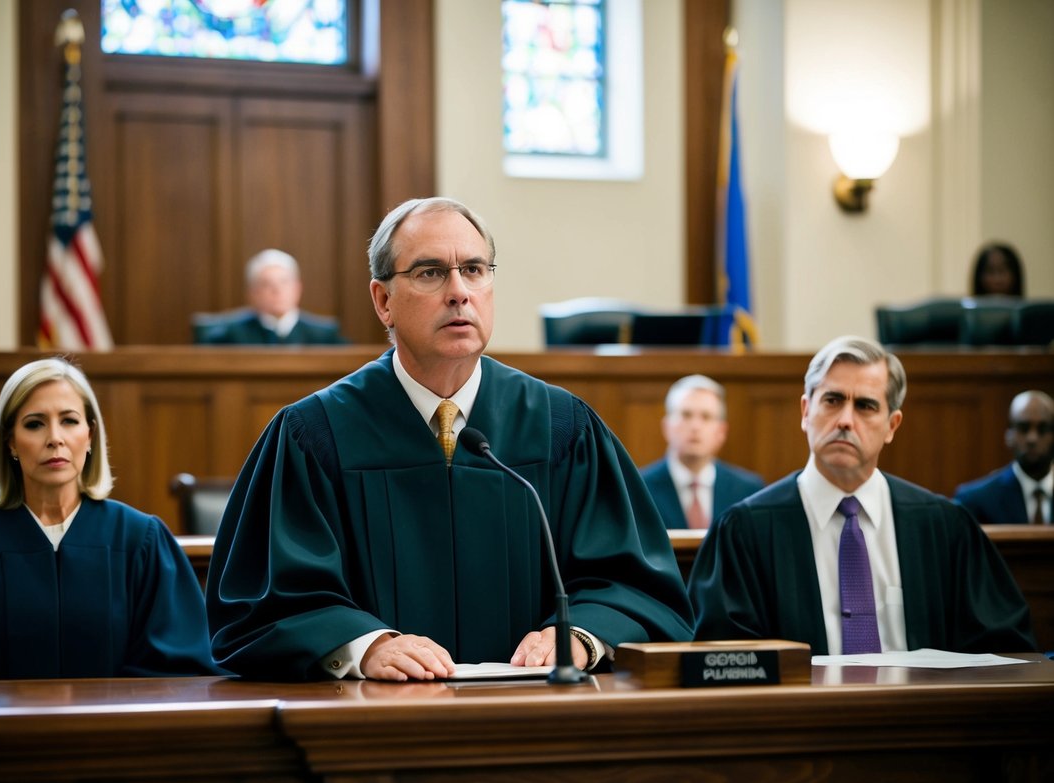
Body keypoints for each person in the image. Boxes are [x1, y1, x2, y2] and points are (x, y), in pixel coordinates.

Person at [205, 197, 694, 682]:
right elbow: (264, 604)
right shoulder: (314, 435)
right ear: (383, 301)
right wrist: (363, 645)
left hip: (541, 721)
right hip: (373, 730)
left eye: (475, 269)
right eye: (430, 272)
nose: (459, 291)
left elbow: (637, 585)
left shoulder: (561, 427)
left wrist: (582, 634)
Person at [0, 357, 221, 682]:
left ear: (90, 436)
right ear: (10, 441)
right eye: (35, 424)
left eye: (69, 420)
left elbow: (177, 669)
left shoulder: (139, 540)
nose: (55, 439)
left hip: (115, 742)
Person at [688, 335, 1036, 655]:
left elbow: (1005, 649)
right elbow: (723, 662)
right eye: (833, 400)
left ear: (892, 426)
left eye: (866, 406)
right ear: (806, 412)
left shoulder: (944, 527)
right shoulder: (745, 532)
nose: (845, 420)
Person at [639, 375, 765, 529]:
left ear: (721, 431)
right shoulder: (638, 488)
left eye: (706, 417)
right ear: (667, 427)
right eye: (686, 415)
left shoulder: (749, 491)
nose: (695, 426)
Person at [197, 248, 349, 345]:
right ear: (252, 293)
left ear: (297, 288)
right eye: (266, 284)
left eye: (284, 282)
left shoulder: (325, 336)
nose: (277, 290)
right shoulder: (227, 336)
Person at [954, 390, 1054, 525]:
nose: (1032, 438)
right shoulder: (976, 500)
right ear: (1009, 436)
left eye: (1042, 429)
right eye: (1023, 428)